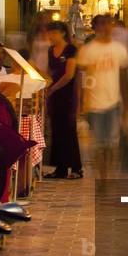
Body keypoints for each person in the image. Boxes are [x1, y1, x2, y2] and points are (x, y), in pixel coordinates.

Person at [76, 15, 128, 180]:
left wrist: (127, 105)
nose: (106, 28)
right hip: (94, 104)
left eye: (108, 24)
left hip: (114, 102)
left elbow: (124, 77)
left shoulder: (119, 49)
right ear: (95, 28)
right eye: (101, 25)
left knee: (111, 144)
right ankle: (102, 175)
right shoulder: (88, 50)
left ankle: (107, 170)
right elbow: (80, 77)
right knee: (99, 143)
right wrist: (81, 100)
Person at [44, 21, 82, 180]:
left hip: (67, 94)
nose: (51, 36)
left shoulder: (71, 49)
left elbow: (69, 75)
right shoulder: (50, 50)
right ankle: (60, 167)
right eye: (49, 33)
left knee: (69, 131)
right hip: (54, 95)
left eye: (54, 32)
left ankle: (76, 167)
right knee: (57, 130)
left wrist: (53, 88)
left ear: (62, 33)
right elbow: (50, 72)